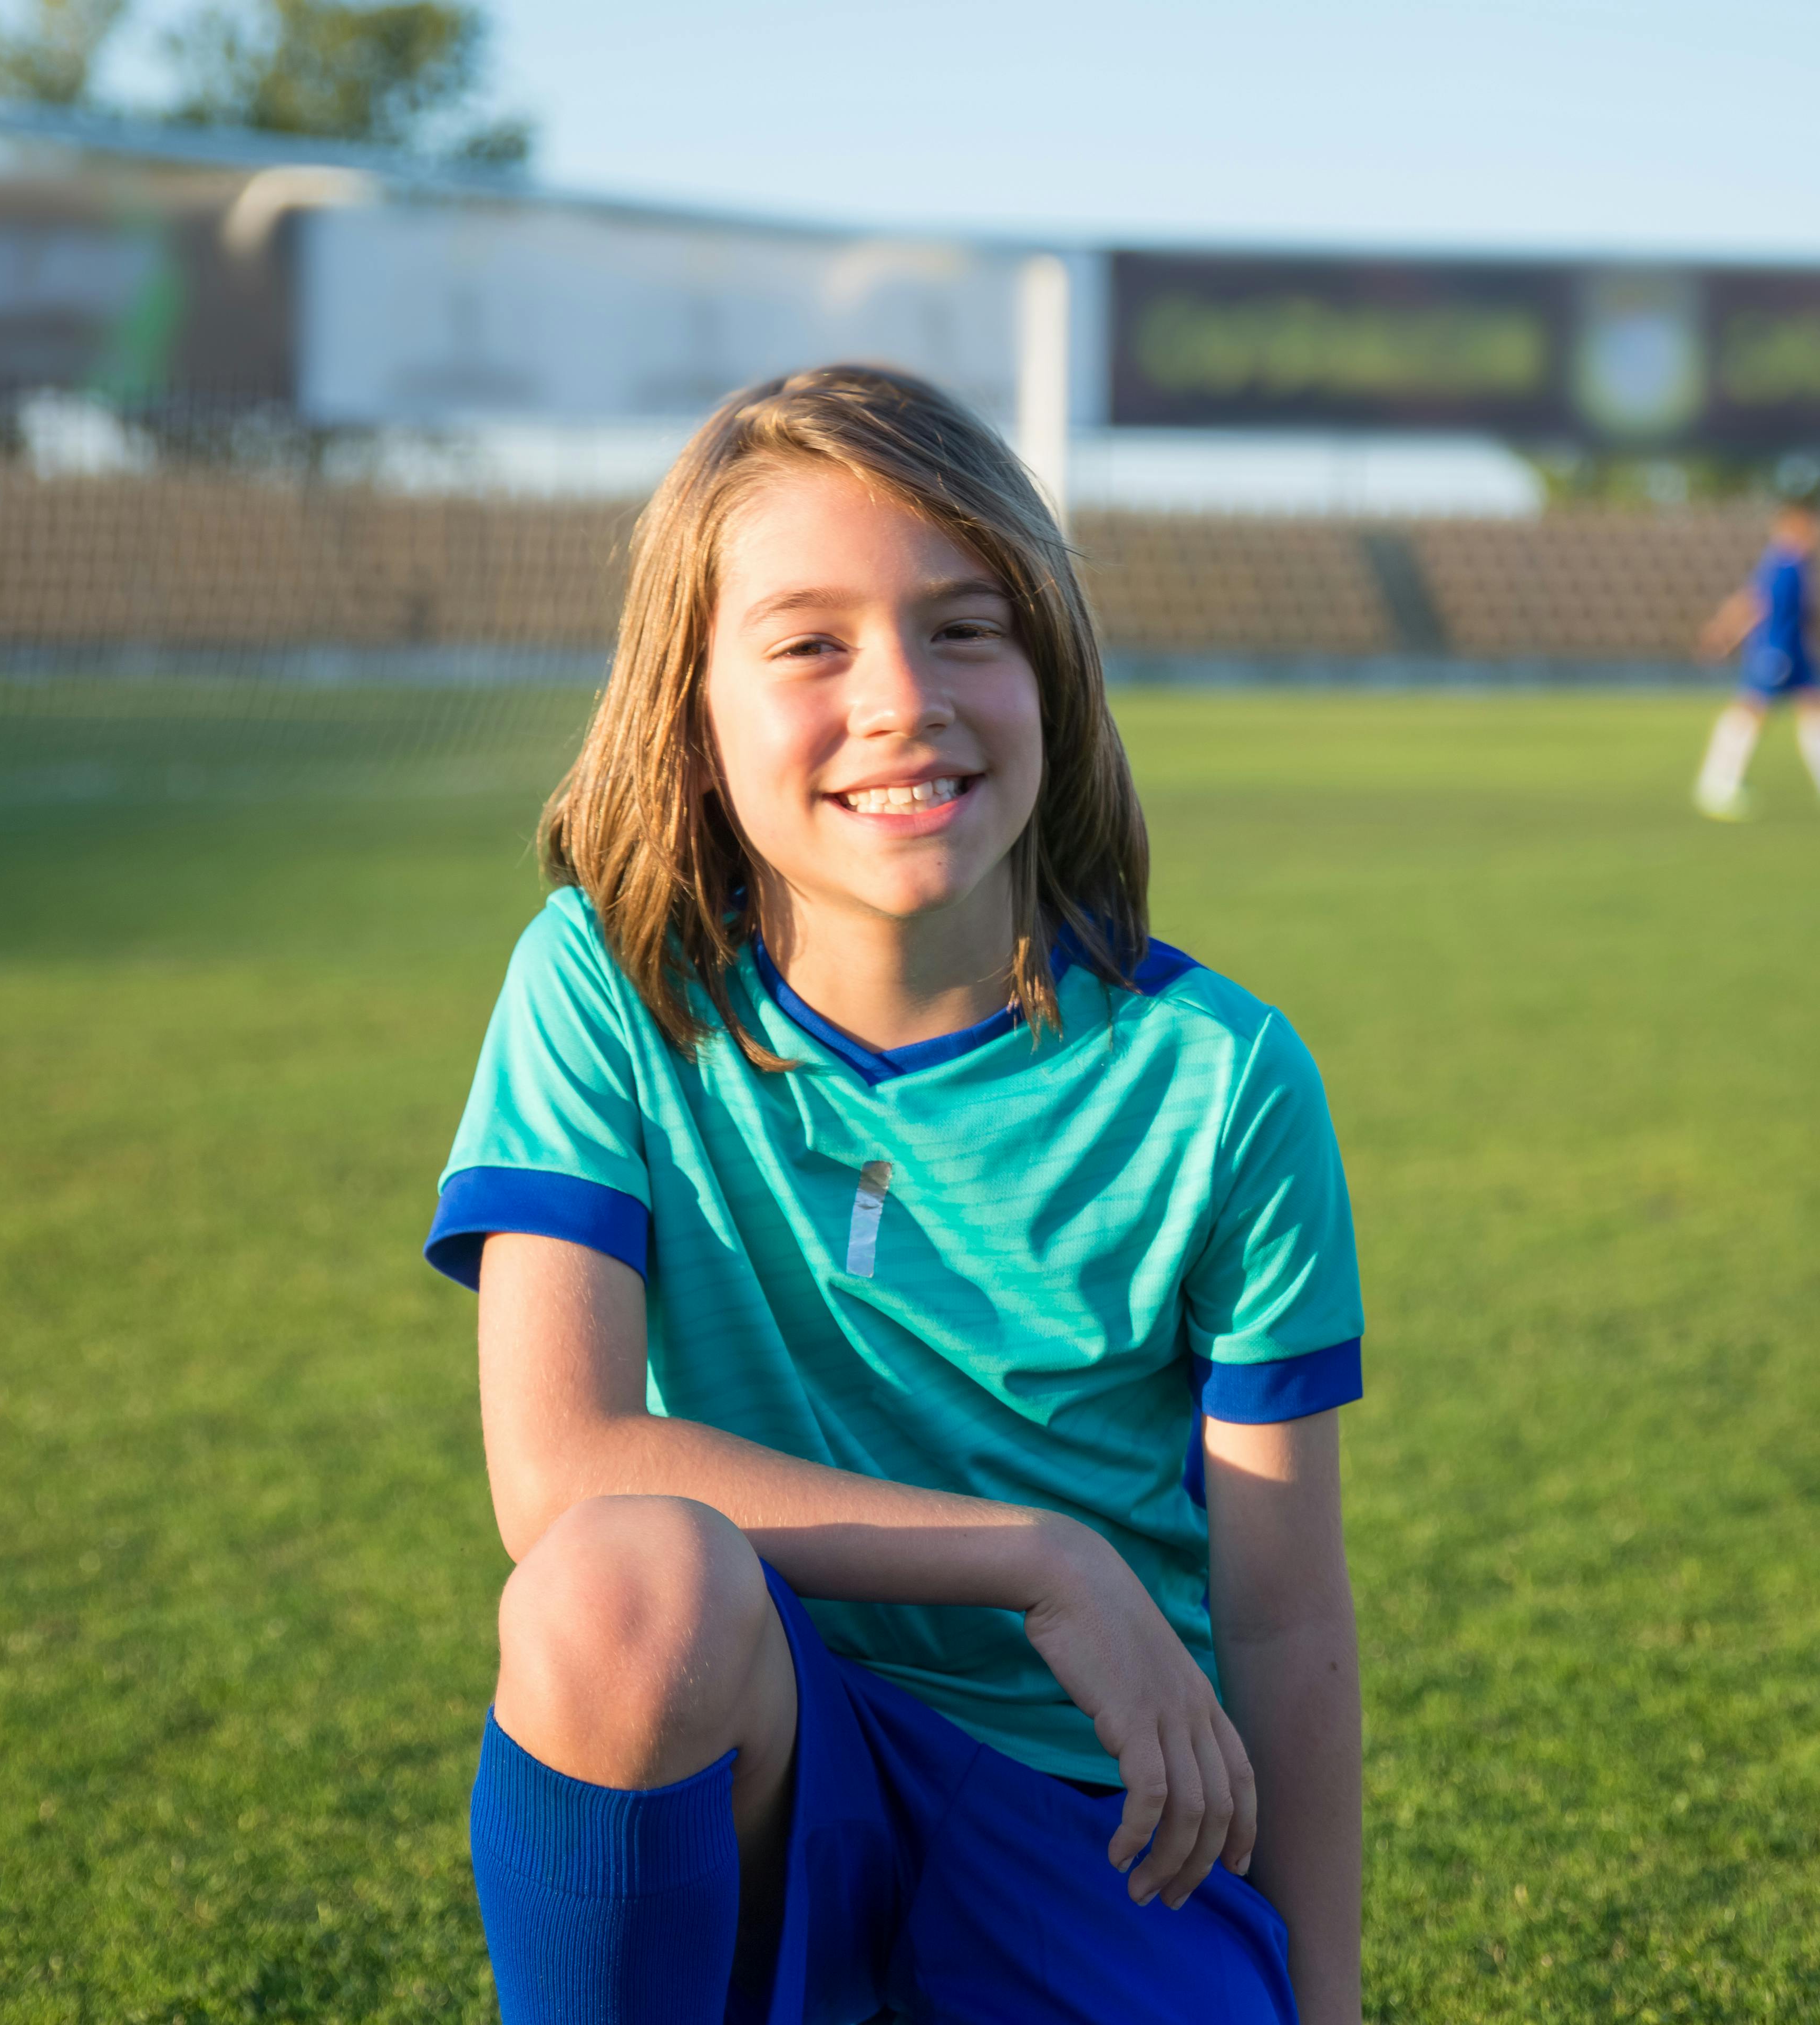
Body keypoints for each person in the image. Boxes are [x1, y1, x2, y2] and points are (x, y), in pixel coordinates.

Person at [423, 365, 1366, 2025]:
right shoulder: (611, 985)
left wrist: (1328, 1995)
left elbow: (1284, 1617)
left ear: (1053, 675)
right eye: (808, 643)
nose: (901, 697)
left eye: (965, 627)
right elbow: (558, 1465)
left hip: (1097, 1822)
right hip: (780, 1757)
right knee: (620, 1582)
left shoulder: (1220, 1078)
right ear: (691, 711)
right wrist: (1044, 1557)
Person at [1691, 497, 1820, 820]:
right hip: (1775, 648)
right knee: (1751, 711)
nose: (1818, 533)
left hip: (1797, 649)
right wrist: (1725, 631)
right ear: (1796, 527)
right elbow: (1754, 601)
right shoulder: (1783, 563)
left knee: (1819, 708)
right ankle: (1717, 784)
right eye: (1812, 526)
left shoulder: (1799, 564)